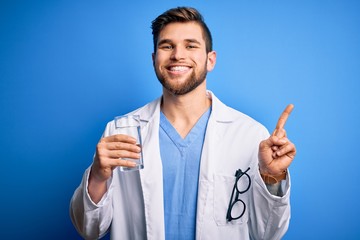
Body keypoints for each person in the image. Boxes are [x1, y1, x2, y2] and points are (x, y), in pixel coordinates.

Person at [70, 6, 296, 240]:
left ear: (210, 60)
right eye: (167, 46)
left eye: (191, 45)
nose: (178, 55)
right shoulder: (120, 131)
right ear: (154, 59)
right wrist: (97, 176)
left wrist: (272, 178)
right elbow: (89, 229)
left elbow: (269, 234)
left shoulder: (250, 135)